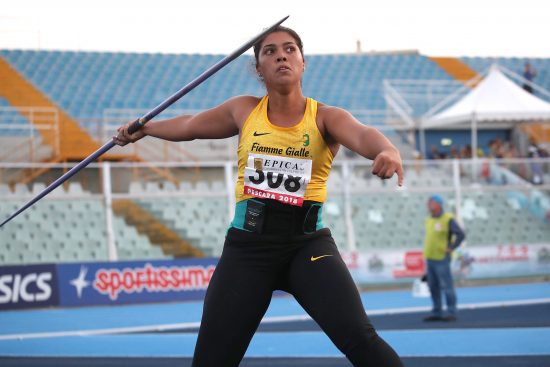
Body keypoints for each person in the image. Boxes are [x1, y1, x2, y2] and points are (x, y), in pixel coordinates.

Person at [115, 26, 404, 367]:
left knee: (362, 340)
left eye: (290, 49)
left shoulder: (326, 117)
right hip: (247, 250)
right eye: (269, 51)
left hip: (307, 246)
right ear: (258, 68)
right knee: (211, 360)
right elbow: (191, 125)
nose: (281, 55)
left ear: (302, 61)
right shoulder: (243, 110)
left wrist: (388, 150)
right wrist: (145, 130)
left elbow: (364, 134)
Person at [422, 194, 465, 322]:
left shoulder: (447, 219)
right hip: (430, 258)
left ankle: (451, 311)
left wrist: (451, 247)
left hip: (442, 258)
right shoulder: (428, 219)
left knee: (447, 286)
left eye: (431, 202)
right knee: (433, 286)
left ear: (439, 204)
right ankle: (437, 311)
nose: (428, 204)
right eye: (428, 202)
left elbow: (460, 234)